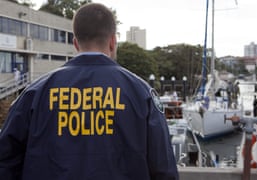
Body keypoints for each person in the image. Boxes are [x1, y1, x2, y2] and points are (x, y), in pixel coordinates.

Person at [0, 3, 178, 180]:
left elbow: (6, 161)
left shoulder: (34, 93)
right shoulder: (142, 93)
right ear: (113, 41)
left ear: (75, 43)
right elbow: (163, 168)